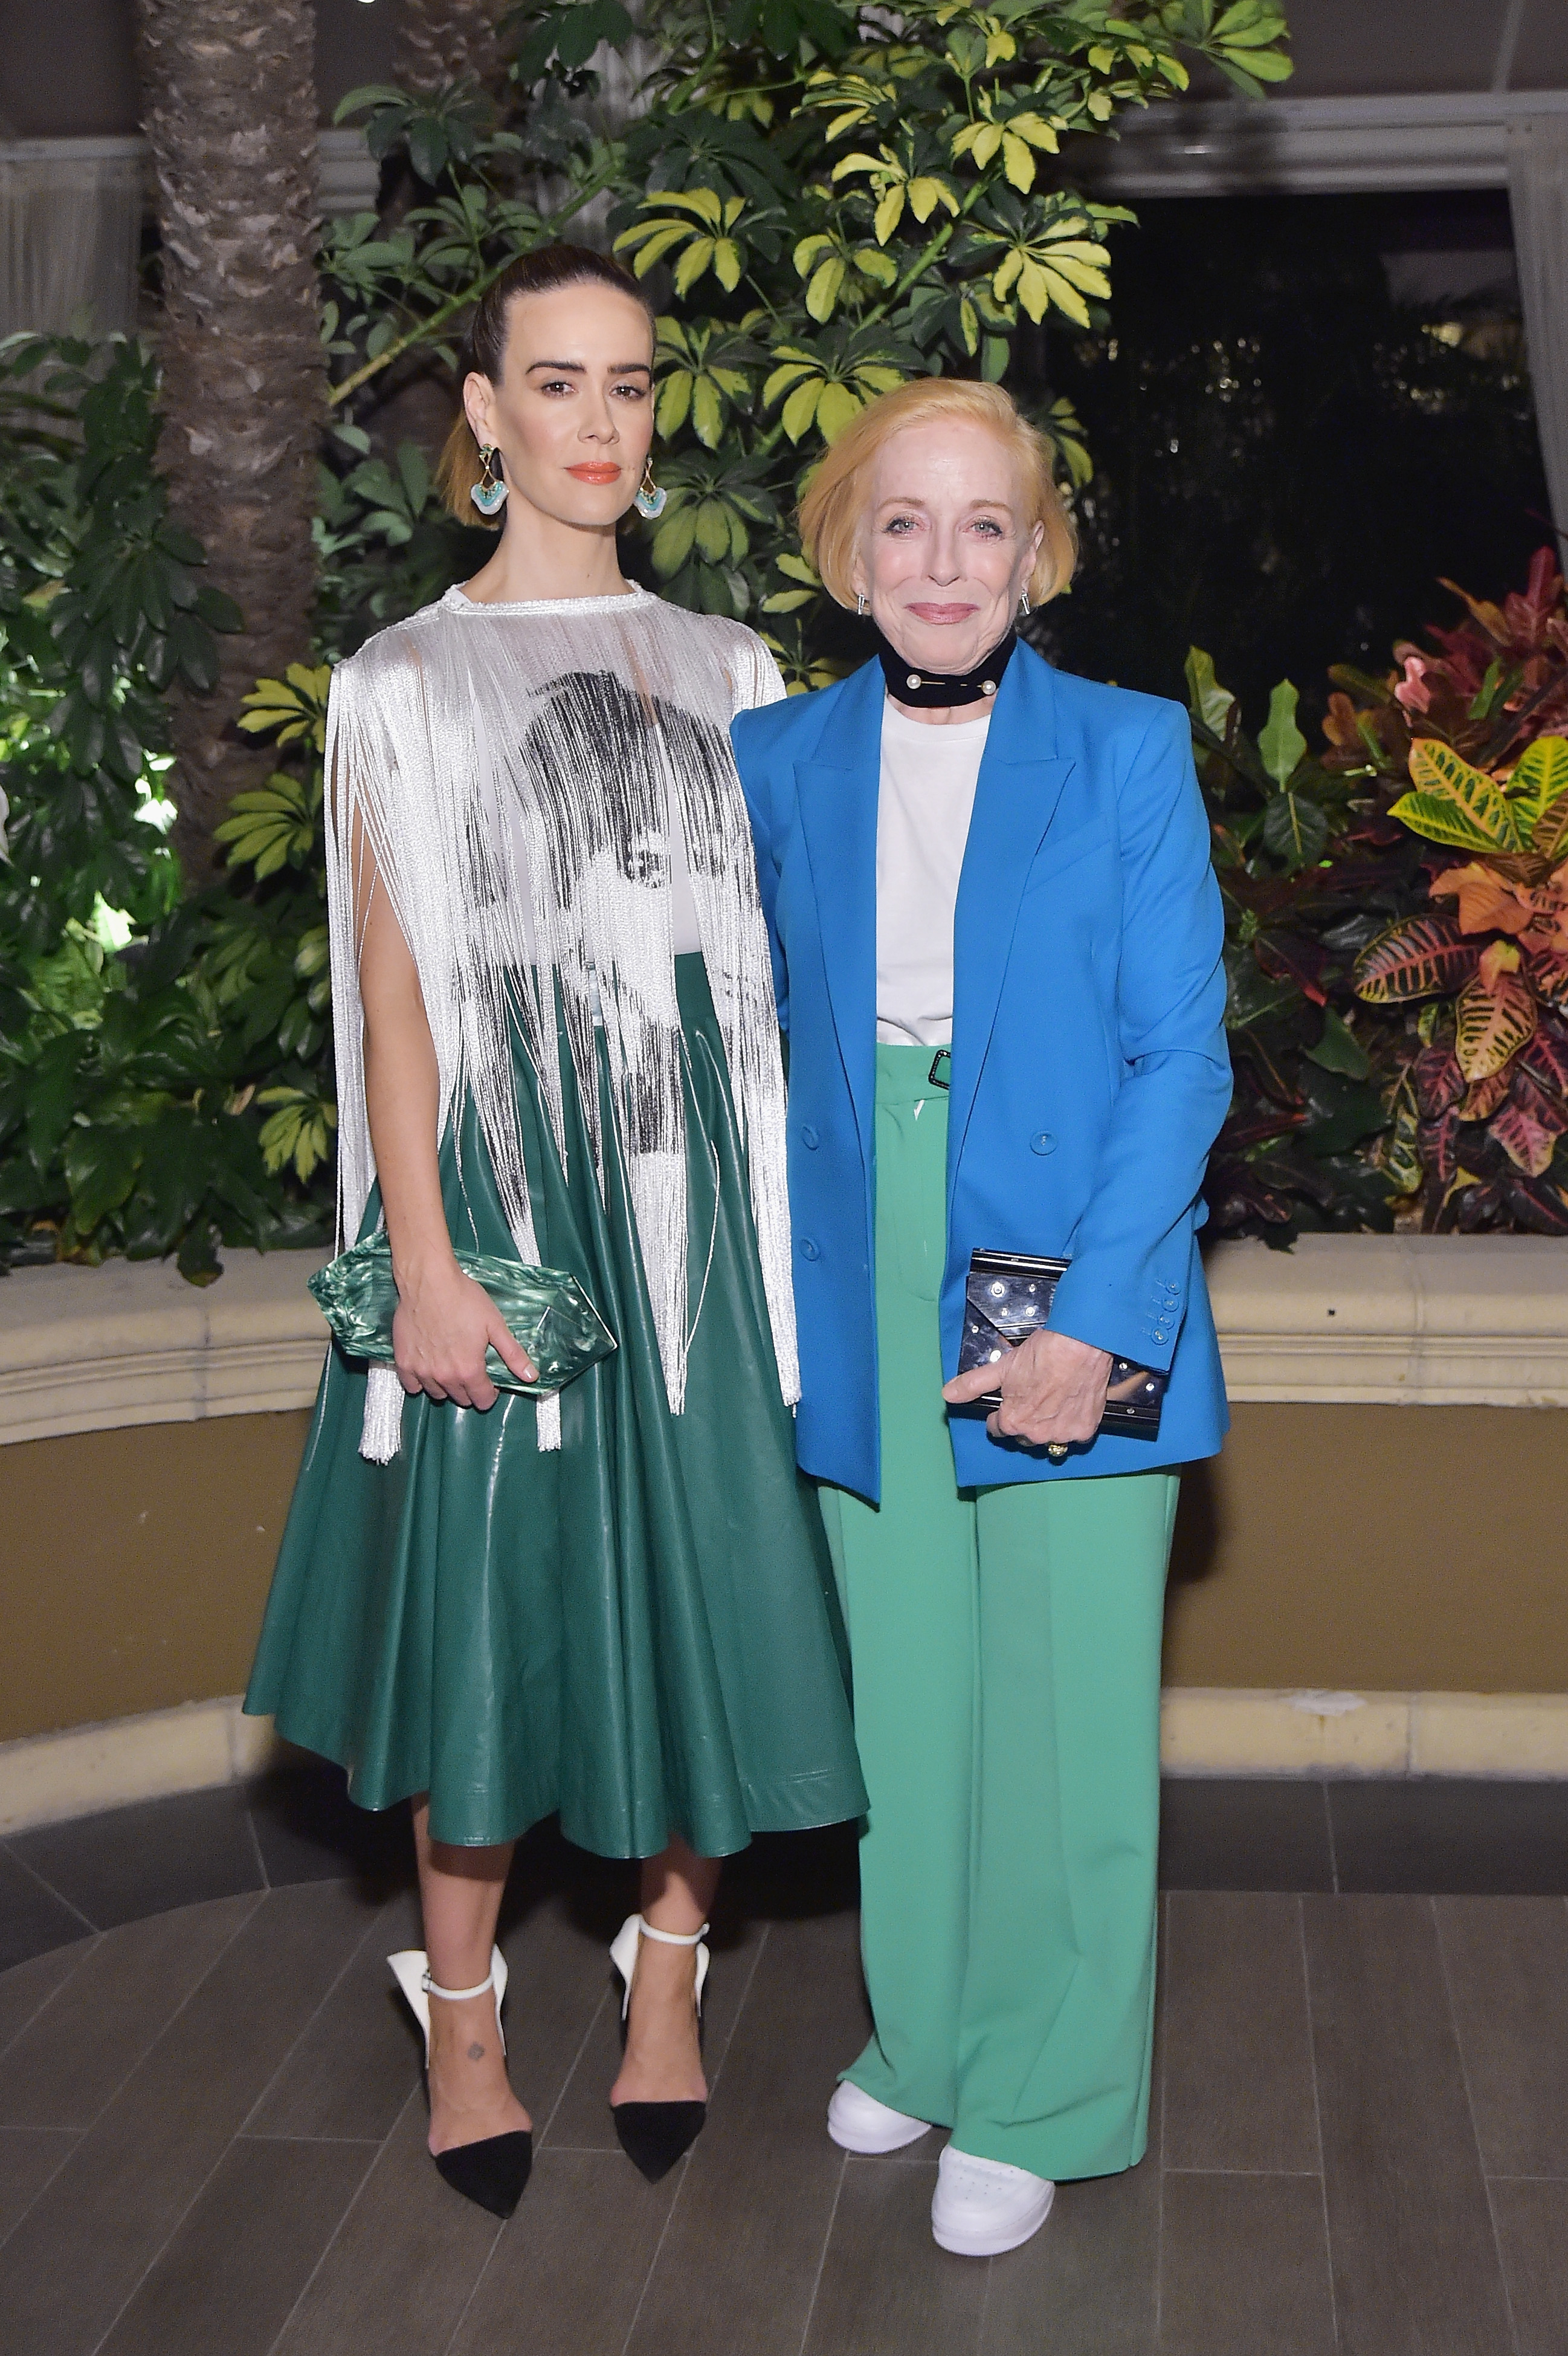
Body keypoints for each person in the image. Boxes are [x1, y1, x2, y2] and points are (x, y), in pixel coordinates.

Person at [245, 244, 865, 2220]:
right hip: (508, 1193)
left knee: (716, 1596)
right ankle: (460, 2012)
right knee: (483, 1621)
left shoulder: (734, 669)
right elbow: (395, 1003)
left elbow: (793, 967)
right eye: (560, 383)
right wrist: (421, 1262)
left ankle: (666, 1969)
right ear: (485, 416)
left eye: (631, 381)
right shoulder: (398, 684)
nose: (603, 422)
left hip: (707, 1200)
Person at [730, 376, 1230, 2259]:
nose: (943, 561)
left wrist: (1102, 1319)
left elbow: (1179, 1057)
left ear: (1038, 552)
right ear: (849, 548)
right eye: (904, 522)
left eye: (983, 525)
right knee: (912, 1701)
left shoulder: (1122, 748)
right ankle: (932, 2034)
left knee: (1068, 1707)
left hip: (1076, 1236)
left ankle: (1048, 2086)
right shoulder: (772, 757)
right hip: (863, 1253)